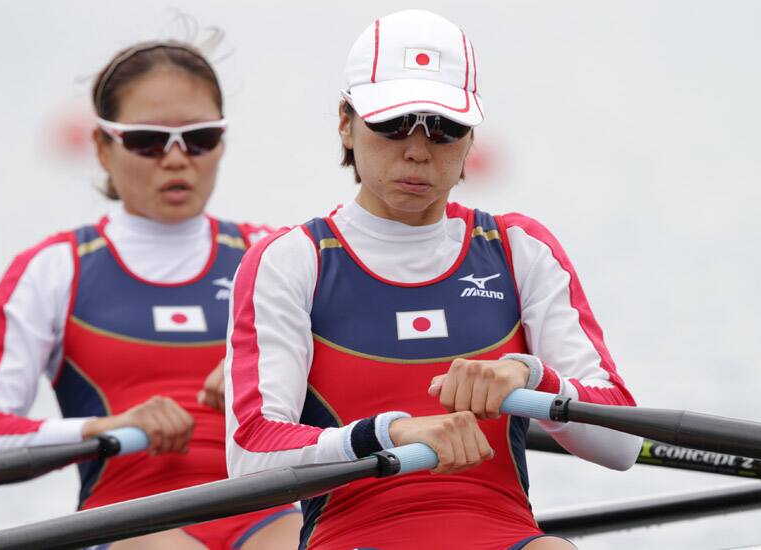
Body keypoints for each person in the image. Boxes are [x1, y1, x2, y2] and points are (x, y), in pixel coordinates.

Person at [225, 9, 642, 550]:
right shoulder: (294, 260)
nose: (419, 150)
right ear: (346, 123)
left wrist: (531, 378)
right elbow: (252, 458)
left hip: (507, 536)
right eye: (393, 123)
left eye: (445, 128)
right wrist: (389, 433)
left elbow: (622, 445)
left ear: (471, 139)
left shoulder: (519, 249)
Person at [0, 40, 301, 550]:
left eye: (199, 137)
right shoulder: (53, 269)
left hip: (266, 506)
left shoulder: (274, 256)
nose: (177, 159)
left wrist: (278, 370)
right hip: (126, 518)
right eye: (148, 141)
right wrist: (106, 427)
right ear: (101, 146)